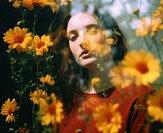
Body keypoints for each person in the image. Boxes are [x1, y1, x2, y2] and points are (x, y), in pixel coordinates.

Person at [51, 2, 157, 133]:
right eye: (73, 37)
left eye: (92, 31)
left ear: (112, 38)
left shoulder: (141, 97)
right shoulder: (65, 106)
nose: (81, 42)